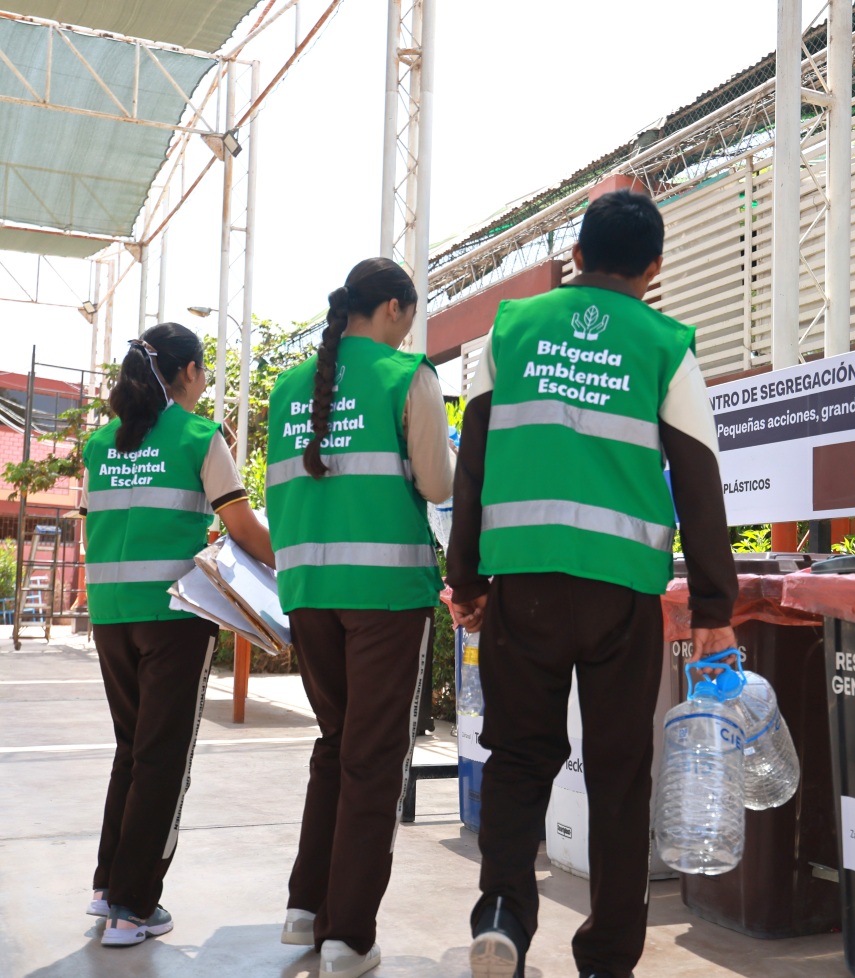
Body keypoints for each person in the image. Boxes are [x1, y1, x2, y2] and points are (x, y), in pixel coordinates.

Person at [447, 189, 738, 978]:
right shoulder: (665, 344)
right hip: (620, 595)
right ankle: (608, 957)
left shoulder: (506, 333)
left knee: (516, 758)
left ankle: (503, 915)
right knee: (617, 773)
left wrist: (465, 578)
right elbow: (700, 479)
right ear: (655, 268)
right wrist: (716, 606)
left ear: (575, 255)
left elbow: (471, 463)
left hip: (524, 587)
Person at [265, 257, 455, 978]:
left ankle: (305, 910)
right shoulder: (409, 377)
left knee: (337, 745)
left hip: (308, 588)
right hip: (384, 593)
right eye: (409, 315)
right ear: (396, 310)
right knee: (374, 761)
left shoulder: (287, 387)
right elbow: (436, 483)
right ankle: (349, 937)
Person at [82, 323, 275, 947]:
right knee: (164, 760)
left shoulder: (99, 444)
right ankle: (134, 908)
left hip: (111, 616)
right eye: (204, 373)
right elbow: (242, 527)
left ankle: (108, 886)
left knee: (131, 749)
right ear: (189, 373)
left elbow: (118, 524)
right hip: (173, 617)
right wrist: (296, 563)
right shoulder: (199, 436)